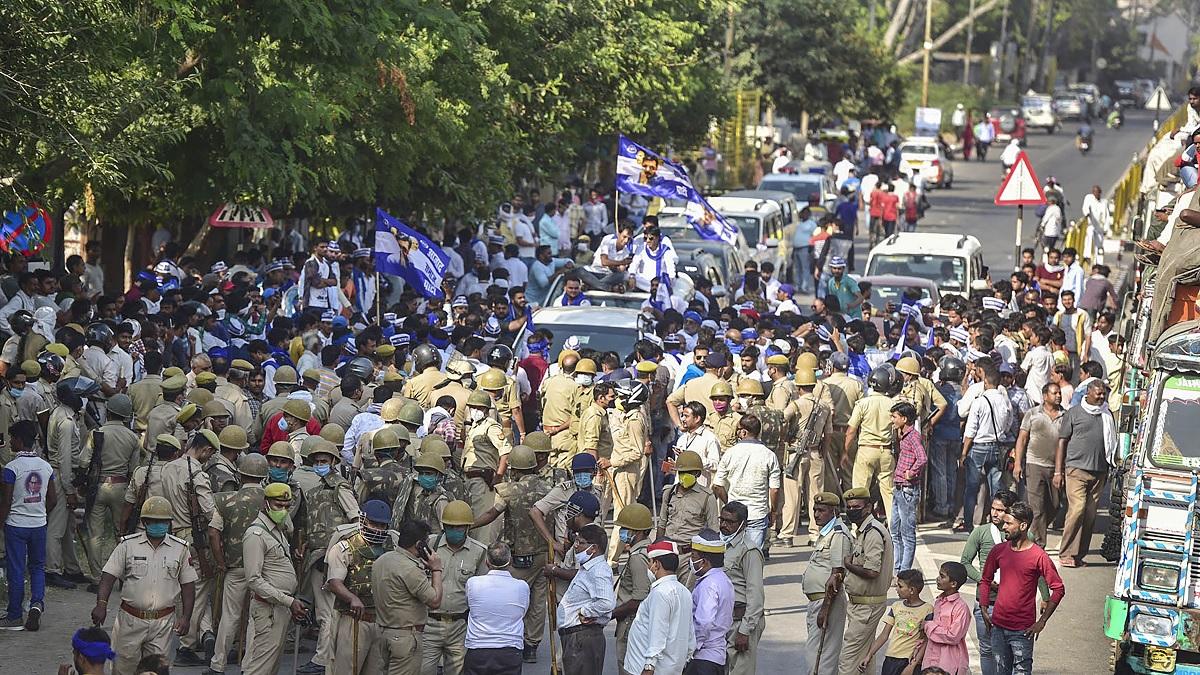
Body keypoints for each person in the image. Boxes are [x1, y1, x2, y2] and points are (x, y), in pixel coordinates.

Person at [92, 496, 198, 675]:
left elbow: (188, 585)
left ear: (169, 523)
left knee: (156, 671)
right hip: (130, 620)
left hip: (162, 623)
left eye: (163, 521)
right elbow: (108, 576)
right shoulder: (128, 546)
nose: (159, 525)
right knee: (123, 669)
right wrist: (101, 605)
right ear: (144, 522)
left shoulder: (180, 549)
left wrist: (186, 617)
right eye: (154, 521)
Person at [979, 502, 1066, 675]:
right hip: (998, 626)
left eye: (1009, 523)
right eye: (1004, 523)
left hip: (1022, 631)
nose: (1004, 527)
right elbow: (985, 579)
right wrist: (983, 608)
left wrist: (1041, 622)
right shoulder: (998, 551)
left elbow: (1058, 588)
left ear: (1023, 525)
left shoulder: (1038, 556)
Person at [241, 482, 304, 675]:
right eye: (278, 505)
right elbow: (253, 579)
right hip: (268, 610)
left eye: (286, 507)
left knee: (271, 667)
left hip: (280, 608)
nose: (283, 511)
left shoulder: (276, 529)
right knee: (259, 667)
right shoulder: (256, 534)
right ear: (265, 504)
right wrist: (288, 601)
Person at [422, 500, 488, 675]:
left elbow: (482, 592)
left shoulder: (479, 552)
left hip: (459, 626)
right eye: (450, 527)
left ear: (467, 528)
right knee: (423, 670)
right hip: (429, 624)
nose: (454, 531)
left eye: (459, 528)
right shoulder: (429, 545)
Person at [0, 419, 55, 630]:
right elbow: (53, 499)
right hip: (38, 524)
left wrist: (1, 523)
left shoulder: (11, 468)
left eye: (12, 438)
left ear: (20, 440)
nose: (10, 441)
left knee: (16, 569)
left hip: (16, 524)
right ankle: (36, 604)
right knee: (37, 567)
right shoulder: (46, 466)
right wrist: (41, 513)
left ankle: (14, 615)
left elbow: (6, 501)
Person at [373, 519, 446, 675]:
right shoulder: (410, 569)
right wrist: (436, 570)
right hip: (405, 638)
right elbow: (435, 601)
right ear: (420, 544)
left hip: (382, 633)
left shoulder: (382, 561)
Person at [1054, 379, 1115, 568]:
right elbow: (1062, 442)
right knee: (1077, 509)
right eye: (1098, 393)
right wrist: (1058, 471)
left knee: (1090, 514)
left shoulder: (1107, 414)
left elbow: (1112, 442)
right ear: (1088, 393)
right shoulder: (1074, 413)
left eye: (1103, 393)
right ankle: (1066, 552)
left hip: (1099, 473)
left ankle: (1079, 554)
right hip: (1076, 470)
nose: (1101, 396)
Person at [838, 487, 894, 675]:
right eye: (849, 507)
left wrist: (848, 565)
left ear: (868, 508)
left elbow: (871, 571)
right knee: (864, 658)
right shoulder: (864, 531)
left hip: (867, 607)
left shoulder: (872, 533)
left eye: (857, 507)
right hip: (861, 606)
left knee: (848, 660)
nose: (852, 510)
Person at [960, 489, 1017, 675]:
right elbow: (965, 563)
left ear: (1010, 511)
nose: (994, 513)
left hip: (1011, 604)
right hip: (986, 602)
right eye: (993, 508)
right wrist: (985, 580)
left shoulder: (1020, 535)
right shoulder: (981, 533)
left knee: (1009, 651)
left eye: (1000, 510)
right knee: (987, 650)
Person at [623, 540, 696, 675]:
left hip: (650, 669)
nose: (648, 566)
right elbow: (690, 635)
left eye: (650, 562)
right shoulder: (684, 591)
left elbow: (658, 632)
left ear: (657, 564)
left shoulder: (660, 593)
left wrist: (649, 667)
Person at [712, 415, 780, 550]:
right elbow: (775, 489)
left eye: (738, 430)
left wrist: (729, 503)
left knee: (730, 558)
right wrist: (773, 511)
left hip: (733, 515)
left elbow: (717, 485)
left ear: (743, 432)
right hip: (758, 514)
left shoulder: (730, 453)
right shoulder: (769, 455)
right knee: (752, 557)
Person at [800, 492, 851, 675]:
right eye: (814, 510)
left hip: (827, 601)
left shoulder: (838, 534)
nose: (816, 514)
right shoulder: (827, 532)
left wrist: (826, 609)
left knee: (820, 659)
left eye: (821, 510)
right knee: (817, 655)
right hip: (818, 602)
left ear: (834, 511)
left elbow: (837, 575)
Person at [555, 523, 615, 675]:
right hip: (576, 638)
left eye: (581, 543)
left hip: (582, 639)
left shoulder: (599, 570)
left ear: (593, 548)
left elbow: (606, 602)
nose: (576, 546)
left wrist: (586, 612)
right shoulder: (587, 567)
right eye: (576, 541)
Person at [656, 450, 720, 589]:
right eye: (682, 472)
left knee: (686, 595)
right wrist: (658, 549)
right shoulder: (669, 493)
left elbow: (713, 531)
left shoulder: (707, 497)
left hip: (689, 555)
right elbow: (662, 523)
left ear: (697, 474)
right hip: (668, 552)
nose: (684, 476)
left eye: (689, 472)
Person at [464, 543, 530, 675]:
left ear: (487, 562)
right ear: (510, 561)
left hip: (478, 649)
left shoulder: (473, 583)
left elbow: (469, 605)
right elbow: (523, 612)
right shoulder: (522, 586)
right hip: (510, 650)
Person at [1012, 384, 1064, 546]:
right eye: (1054, 393)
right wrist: (1017, 463)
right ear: (1045, 396)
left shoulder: (1065, 415)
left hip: (1056, 468)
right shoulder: (1033, 414)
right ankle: (1038, 544)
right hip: (1034, 464)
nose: (1058, 396)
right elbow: (1022, 439)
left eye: (1059, 393)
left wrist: (1061, 470)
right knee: (1037, 507)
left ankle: (1035, 529)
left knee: (1055, 505)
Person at [960, 363, 1011, 529]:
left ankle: (968, 523)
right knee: (996, 487)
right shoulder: (1004, 401)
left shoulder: (980, 402)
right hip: (997, 445)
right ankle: (997, 522)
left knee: (972, 488)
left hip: (979, 447)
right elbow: (1008, 422)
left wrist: (963, 452)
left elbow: (971, 429)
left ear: (986, 383)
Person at [857, 569, 932, 675]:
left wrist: (913, 665)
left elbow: (926, 640)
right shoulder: (896, 606)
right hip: (891, 658)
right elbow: (884, 635)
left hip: (909, 660)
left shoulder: (927, 609)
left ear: (912, 590)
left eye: (900, 586)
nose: (896, 589)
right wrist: (869, 655)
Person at [721, 501, 765, 675]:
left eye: (730, 522)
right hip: (724, 620)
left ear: (742, 525)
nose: (724, 525)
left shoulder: (749, 551)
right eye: (722, 520)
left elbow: (755, 595)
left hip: (741, 621)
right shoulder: (721, 546)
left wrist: (745, 631)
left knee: (741, 670)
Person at [685, 529, 734, 675]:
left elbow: (704, 622)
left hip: (704, 659)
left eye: (693, 556)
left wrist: (690, 648)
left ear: (704, 562)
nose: (691, 560)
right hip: (717, 657)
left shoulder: (708, 585)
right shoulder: (724, 580)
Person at [612, 504, 653, 675]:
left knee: (627, 665)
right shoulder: (645, 551)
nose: (622, 532)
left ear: (638, 532)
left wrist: (612, 614)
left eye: (625, 529)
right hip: (630, 618)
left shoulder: (638, 558)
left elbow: (639, 598)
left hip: (630, 620)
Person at [921, 562, 972, 675]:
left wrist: (928, 626)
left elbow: (953, 636)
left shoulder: (961, 608)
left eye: (942, 576)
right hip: (931, 658)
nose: (937, 579)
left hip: (949, 662)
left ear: (953, 583)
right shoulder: (939, 601)